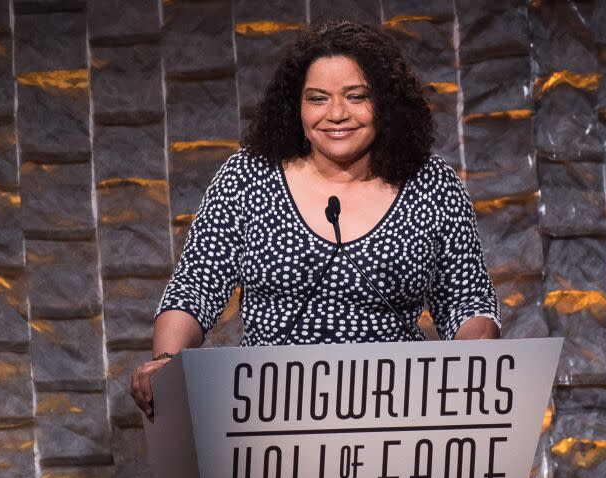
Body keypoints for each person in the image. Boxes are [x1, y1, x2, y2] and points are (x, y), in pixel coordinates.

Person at [131, 20, 500, 419]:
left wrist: (471, 375)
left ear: (386, 103)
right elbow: (195, 286)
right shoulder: (249, 177)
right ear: (298, 106)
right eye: (318, 99)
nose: (337, 114)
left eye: (356, 97)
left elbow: (468, 299)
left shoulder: (431, 182)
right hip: (268, 413)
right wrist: (167, 361)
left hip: (398, 414)